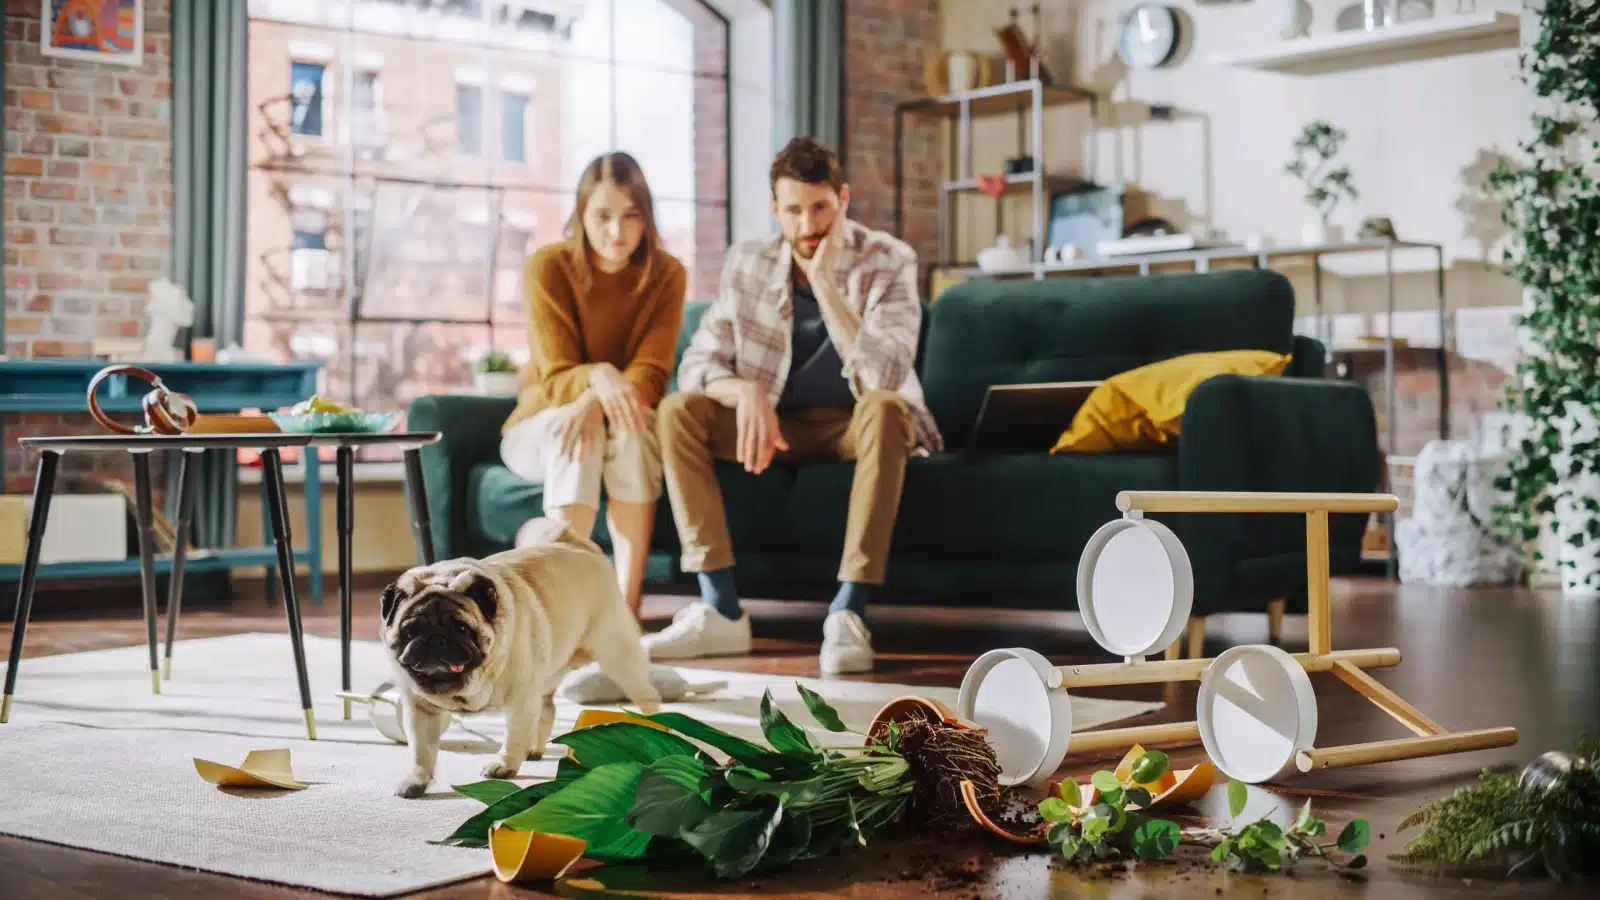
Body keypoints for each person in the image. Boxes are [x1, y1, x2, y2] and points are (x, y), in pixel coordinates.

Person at [645, 136, 943, 674]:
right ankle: (721, 609)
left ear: (843, 200)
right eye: (793, 210)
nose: (808, 224)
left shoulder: (888, 258)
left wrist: (826, 286)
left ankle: (848, 612)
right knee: (678, 412)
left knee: (886, 407)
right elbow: (697, 364)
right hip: (773, 427)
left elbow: (887, 374)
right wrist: (744, 392)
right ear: (775, 209)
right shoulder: (748, 263)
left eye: (821, 207)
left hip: (853, 425)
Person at [499, 151, 686, 618]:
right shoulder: (547, 267)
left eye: (631, 216)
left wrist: (597, 400)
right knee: (578, 429)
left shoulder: (667, 275)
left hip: (622, 417)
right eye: (602, 216)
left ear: (646, 219)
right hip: (538, 427)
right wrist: (600, 379)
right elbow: (555, 374)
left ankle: (625, 609)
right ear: (581, 215)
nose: (616, 231)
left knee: (633, 431)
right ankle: (565, 608)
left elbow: (653, 373)